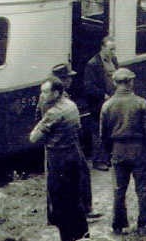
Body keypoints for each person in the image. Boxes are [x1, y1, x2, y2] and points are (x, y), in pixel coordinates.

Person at [29, 76, 89, 241]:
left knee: (60, 200)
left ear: (56, 93)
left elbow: (33, 137)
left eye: (45, 92)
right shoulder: (71, 105)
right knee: (75, 197)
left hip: (58, 158)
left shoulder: (54, 113)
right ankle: (83, 236)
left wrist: (42, 115)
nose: (42, 95)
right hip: (74, 154)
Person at [99, 68, 146, 236]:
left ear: (114, 83)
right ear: (131, 82)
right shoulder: (141, 103)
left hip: (118, 150)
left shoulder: (107, 106)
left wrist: (108, 153)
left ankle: (119, 225)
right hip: (140, 150)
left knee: (119, 189)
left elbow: (103, 134)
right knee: (144, 188)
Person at [37, 63, 101, 220]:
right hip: (64, 142)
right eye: (68, 78)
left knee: (57, 179)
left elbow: (38, 117)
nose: (71, 80)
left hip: (56, 143)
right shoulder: (56, 98)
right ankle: (83, 210)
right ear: (61, 80)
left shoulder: (49, 95)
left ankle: (56, 215)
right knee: (77, 175)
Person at [83, 36, 118, 170]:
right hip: (99, 103)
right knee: (98, 131)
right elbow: (89, 86)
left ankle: (107, 158)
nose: (113, 52)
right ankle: (98, 161)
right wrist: (103, 95)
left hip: (112, 101)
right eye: (111, 49)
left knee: (110, 129)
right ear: (103, 48)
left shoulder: (113, 60)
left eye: (114, 49)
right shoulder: (92, 64)